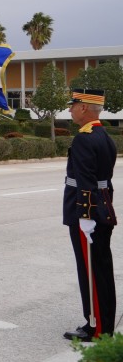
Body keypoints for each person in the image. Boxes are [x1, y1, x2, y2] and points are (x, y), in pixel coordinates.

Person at [62, 89, 117, 341]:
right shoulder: (104, 136)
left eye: (73, 105)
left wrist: (84, 215)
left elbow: (85, 181)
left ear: (84, 107)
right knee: (102, 267)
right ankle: (104, 324)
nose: (71, 109)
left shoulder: (84, 139)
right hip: (103, 207)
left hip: (87, 213)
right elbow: (104, 181)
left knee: (91, 269)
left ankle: (95, 327)